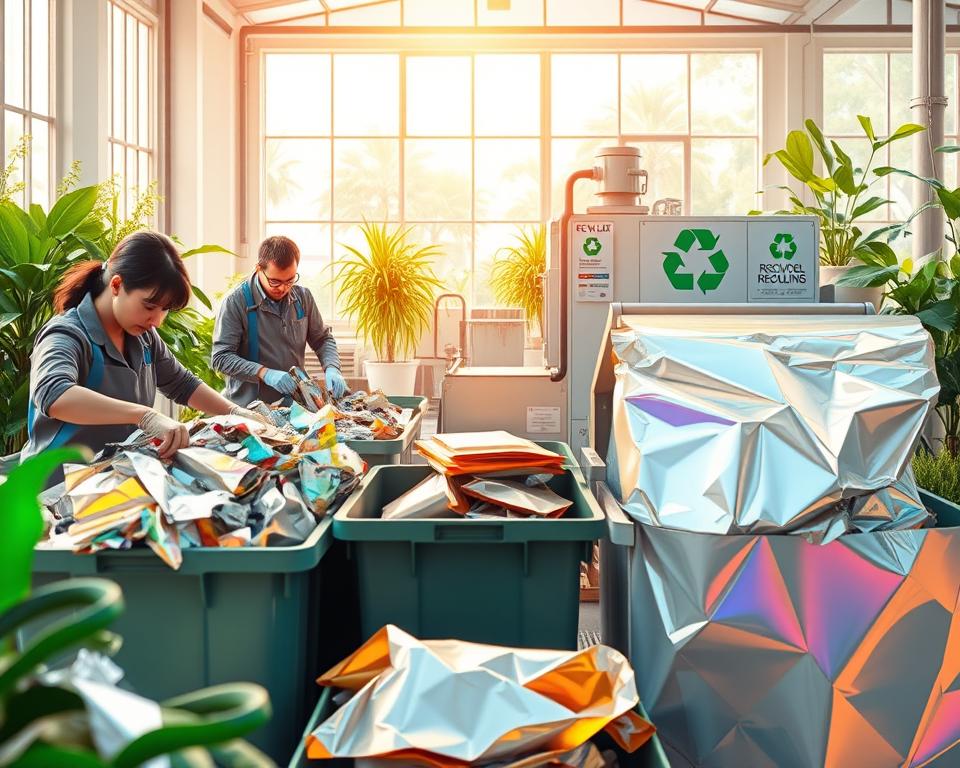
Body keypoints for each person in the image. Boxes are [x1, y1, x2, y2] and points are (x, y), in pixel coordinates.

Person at [21, 230, 264, 483]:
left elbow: (183, 385)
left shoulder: (143, 337)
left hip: (109, 486)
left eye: (165, 309)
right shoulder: (67, 334)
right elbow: (53, 393)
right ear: (116, 285)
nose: (157, 320)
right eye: (149, 306)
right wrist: (143, 415)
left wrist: (235, 412)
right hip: (54, 492)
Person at [211, 235, 345, 406]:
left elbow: (322, 339)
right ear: (259, 269)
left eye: (289, 280)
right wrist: (264, 373)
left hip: (296, 405)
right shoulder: (235, 302)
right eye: (275, 281)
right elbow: (221, 358)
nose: (283, 288)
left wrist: (332, 367)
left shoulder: (303, 298)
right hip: (251, 409)